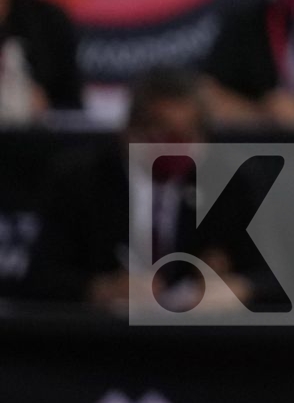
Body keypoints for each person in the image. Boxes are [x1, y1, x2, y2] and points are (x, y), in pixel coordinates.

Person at [24, 69, 271, 309]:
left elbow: (277, 278)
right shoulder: (79, 182)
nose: (175, 147)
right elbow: (40, 278)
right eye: (163, 131)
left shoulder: (230, 183)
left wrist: (239, 288)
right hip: (104, 338)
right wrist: (100, 288)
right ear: (130, 131)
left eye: (186, 135)